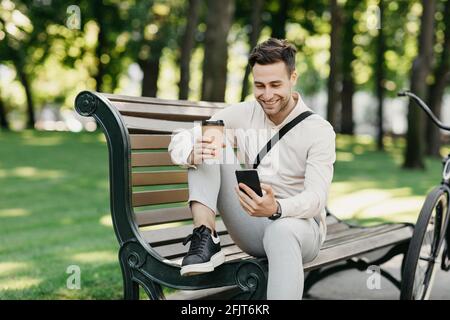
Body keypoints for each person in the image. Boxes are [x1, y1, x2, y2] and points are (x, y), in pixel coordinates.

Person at [168, 38, 336, 300]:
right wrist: (190, 151)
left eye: (275, 85)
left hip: (301, 230)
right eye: (259, 85)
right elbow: (182, 137)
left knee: (282, 230)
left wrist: (278, 208)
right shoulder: (244, 114)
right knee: (211, 139)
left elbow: (316, 199)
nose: (267, 95)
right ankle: (205, 237)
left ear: (293, 77)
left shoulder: (318, 130)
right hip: (252, 224)